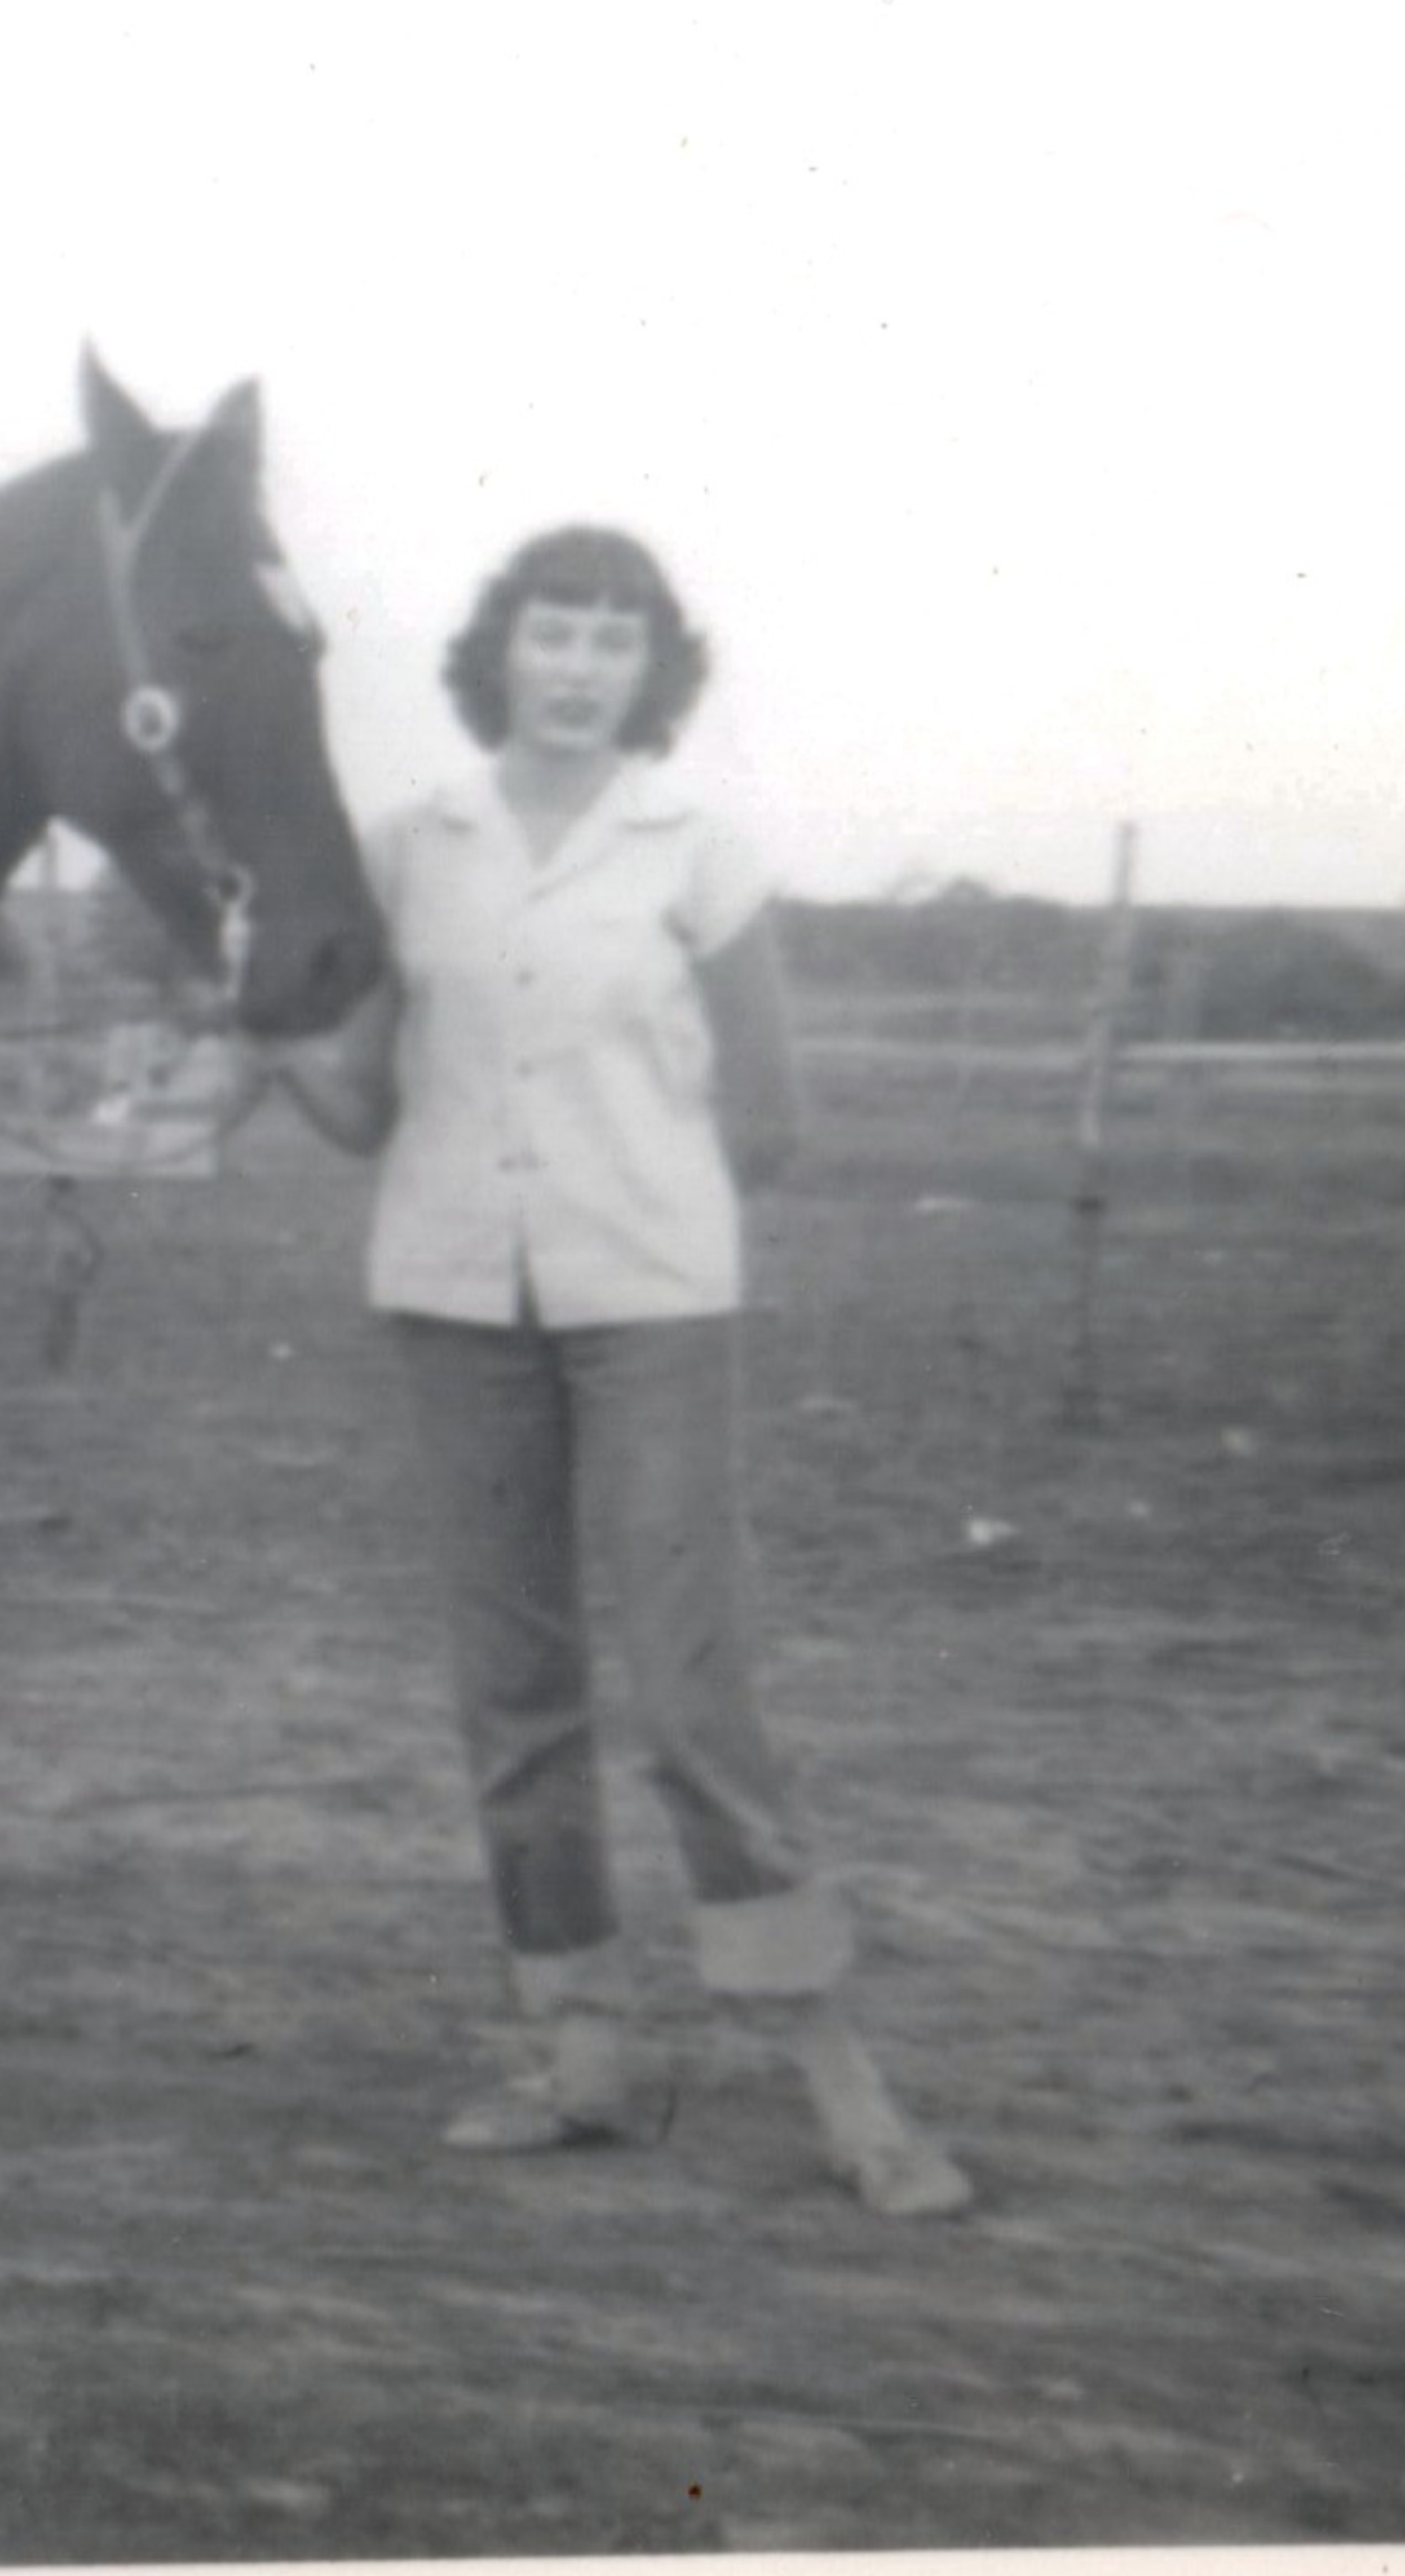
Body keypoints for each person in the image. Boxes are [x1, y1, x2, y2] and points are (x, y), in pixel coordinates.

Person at [271, 525, 974, 2218]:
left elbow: (773, 1114)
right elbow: (362, 1105)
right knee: (512, 1693)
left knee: (688, 1689)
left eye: (609, 640)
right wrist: (269, 1040)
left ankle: (835, 2074)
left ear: (646, 670)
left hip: (650, 1303)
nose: (577, 666)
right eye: (550, 633)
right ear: (499, 654)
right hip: (450, 1299)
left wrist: (631, 1204)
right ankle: (573, 2049)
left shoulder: (696, 852)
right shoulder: (405, 848)